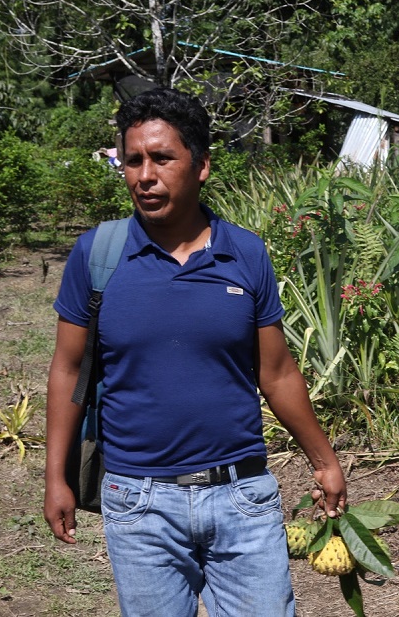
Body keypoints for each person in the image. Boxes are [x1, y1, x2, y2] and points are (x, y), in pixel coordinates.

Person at [43, 86, 347, 616]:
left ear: (201, 165)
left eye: (162, 158)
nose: (144, 175)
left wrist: (323, 461)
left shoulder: (245, 254)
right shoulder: (99, 256)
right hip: (138, 502)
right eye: (132, 160)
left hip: (241, 495)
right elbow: (67, 370)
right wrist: (56, 478)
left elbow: (276, 373)